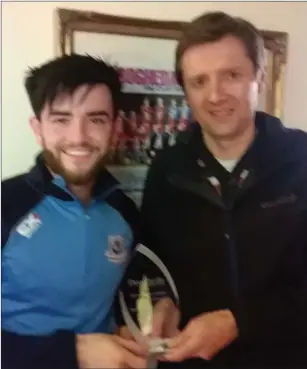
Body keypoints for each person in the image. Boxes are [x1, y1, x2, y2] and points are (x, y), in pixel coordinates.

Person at [139, 11, 307, 369]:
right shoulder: (166, 170)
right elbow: (152, 264)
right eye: (199, 81)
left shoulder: (302, 159)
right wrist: (164, 303)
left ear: (258, 78)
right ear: (186, 91)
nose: (215, 95)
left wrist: (238, 323)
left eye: (231, 75)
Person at [1, 54, 147, 369]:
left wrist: (129, 328)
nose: (78, 137)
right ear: (37, 128)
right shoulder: (6, 206)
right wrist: (75, 351)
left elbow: (124, 296)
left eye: (95, 119)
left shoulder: (124, 211)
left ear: (115, 128)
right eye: (61, 119)